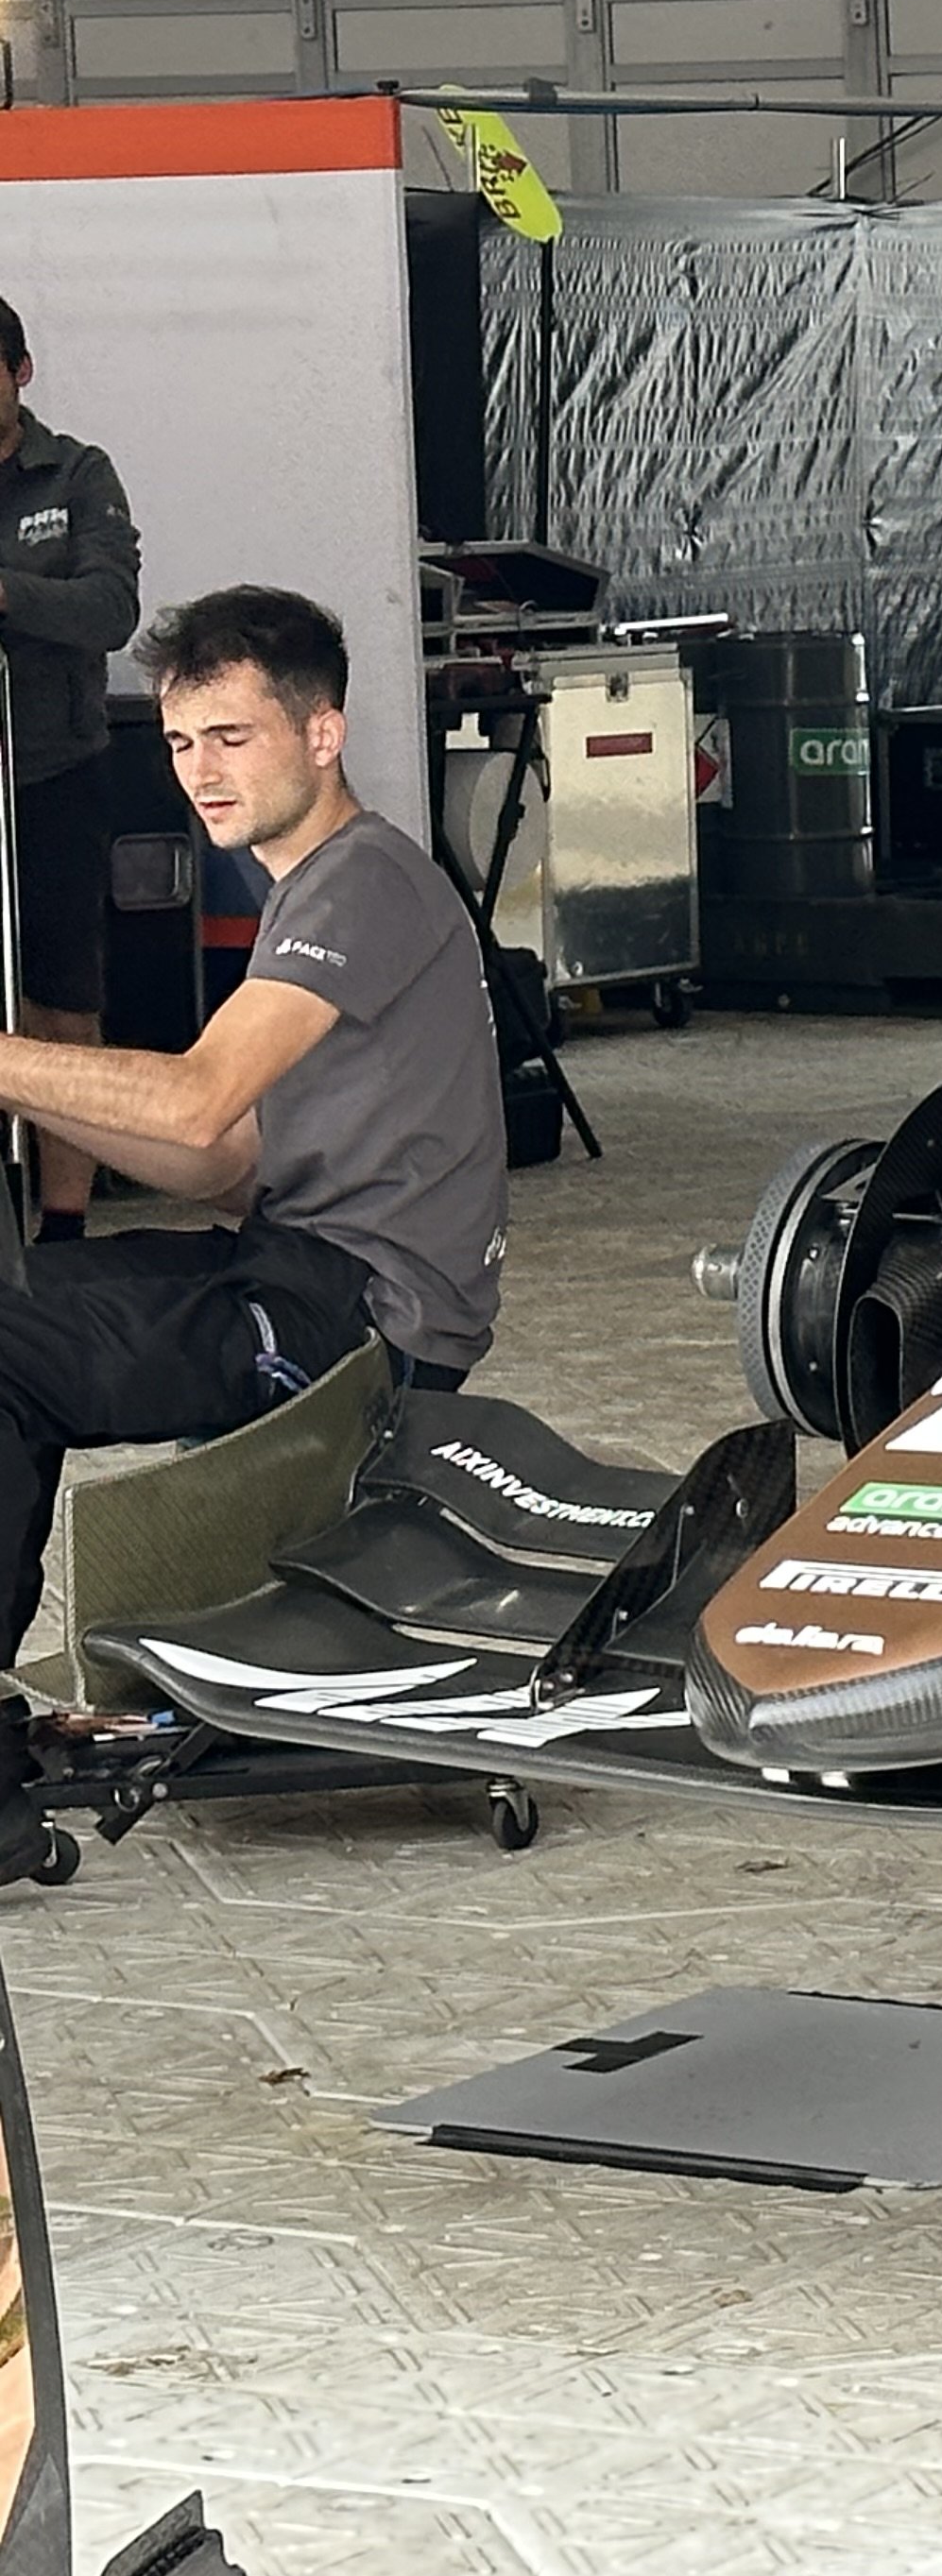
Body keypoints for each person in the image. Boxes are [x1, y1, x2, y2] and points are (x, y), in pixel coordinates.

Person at [0, 586, 507, 1653]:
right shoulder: (316, 886)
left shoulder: (361, 881)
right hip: (293, 1267)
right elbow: (221, 1161)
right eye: (181, 742)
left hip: (364, 1324)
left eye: (232, 737)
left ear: (323, 735)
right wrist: (28, 1086)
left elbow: (197, 1100)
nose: (201, 771)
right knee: (17, 1300)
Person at [0, 296, 144, 1243]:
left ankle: (63, 1230)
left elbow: (109, 610)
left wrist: (8, 595)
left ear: (20, 372)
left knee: (62, 1006)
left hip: (53, 776)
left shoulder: (77, 473)